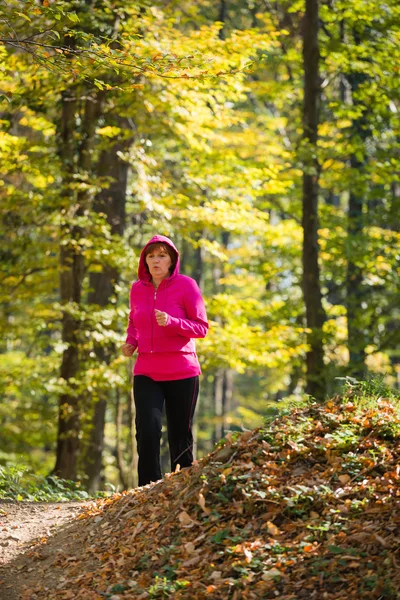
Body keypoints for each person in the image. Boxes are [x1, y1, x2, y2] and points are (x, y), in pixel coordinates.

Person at [121, 235, 208, 486]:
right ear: (144, 261)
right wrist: (132, 341)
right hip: (147, 370)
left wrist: (173, 322)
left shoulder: (187, 285)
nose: (156, 260)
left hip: (182, 370)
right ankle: (148, 489)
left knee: (180, 434)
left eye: (162, 256)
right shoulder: (137, 288)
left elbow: (201, 328)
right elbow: (134, 321)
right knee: (147, 429)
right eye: (151, 256)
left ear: (172, 261)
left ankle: (182, 485)